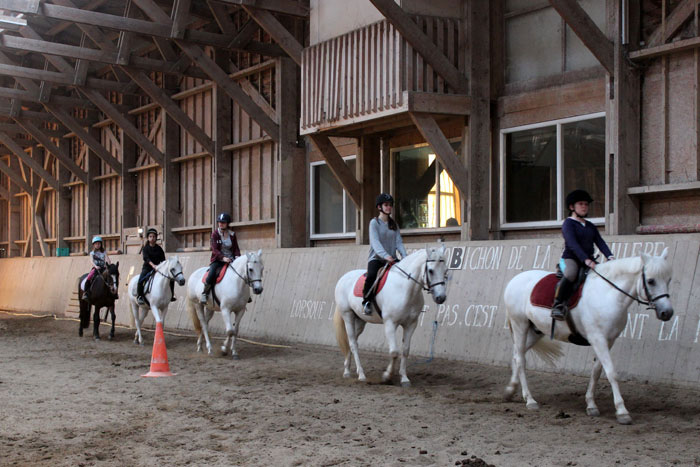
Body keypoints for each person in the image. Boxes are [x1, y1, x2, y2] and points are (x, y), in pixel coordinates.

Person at [551, 189, 614, 321]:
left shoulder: (590, 225)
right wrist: (585, 260)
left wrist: (610, 256)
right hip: (571, 259)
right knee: (571, 274)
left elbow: (600, 242)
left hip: (588, 260)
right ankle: (558, 304)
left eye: (586, 204)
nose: (584, 207)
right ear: (572, 207)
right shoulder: (568, 224)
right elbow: (572, 244)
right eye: (581, 204)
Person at [362, 193, 408, 315]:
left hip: (392, 259)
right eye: (386, 205)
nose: (389, 207)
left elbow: (399, 242)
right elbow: (375, 243)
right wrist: (385, 256)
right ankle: (366, 301)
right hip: (377, 259)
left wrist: (405, 257)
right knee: (371, 275)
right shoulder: (374, 223)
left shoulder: (394, 225)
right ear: (379, 207)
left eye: (390, 205)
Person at [200, 212, 241, 304]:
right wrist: (223, 258)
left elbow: (236, 248)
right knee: (211, 274)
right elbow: (215, 249)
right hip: (218, 260)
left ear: (227, 224)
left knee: (243, 272)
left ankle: (245, 295)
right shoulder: (215, 234)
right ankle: (205, 293)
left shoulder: (232, 234)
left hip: (231, 259)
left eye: (223, 222)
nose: (220, 224)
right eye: (219, 222)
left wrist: (237, 256)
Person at [136, 228, 175, 305]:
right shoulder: (145, 248)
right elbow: (146, 258)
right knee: (141, 279)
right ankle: (140, 296)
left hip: (158, 268)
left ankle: (171, 295)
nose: (152, 238)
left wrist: (163, 267)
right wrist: (153, 266)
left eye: (154, 236)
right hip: (148, 268)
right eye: (150, 236)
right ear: (148, 238)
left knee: (171, 278)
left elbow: (163, 260)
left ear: (156, 237)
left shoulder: (159, 249)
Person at [83, 236, 112, 300]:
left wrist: (108, 264)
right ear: (94, 245)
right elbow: (91, 260)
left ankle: (113, 293)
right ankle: (86, 292)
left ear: (101, 244)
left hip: (103, 268)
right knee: (89, 277)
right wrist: (96, 266)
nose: (98, 245)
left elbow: (107, 259)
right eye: (96, 244)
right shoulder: (92, 253)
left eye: (99, 243)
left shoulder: (104, 252)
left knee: (111, 277)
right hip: (96, 268)